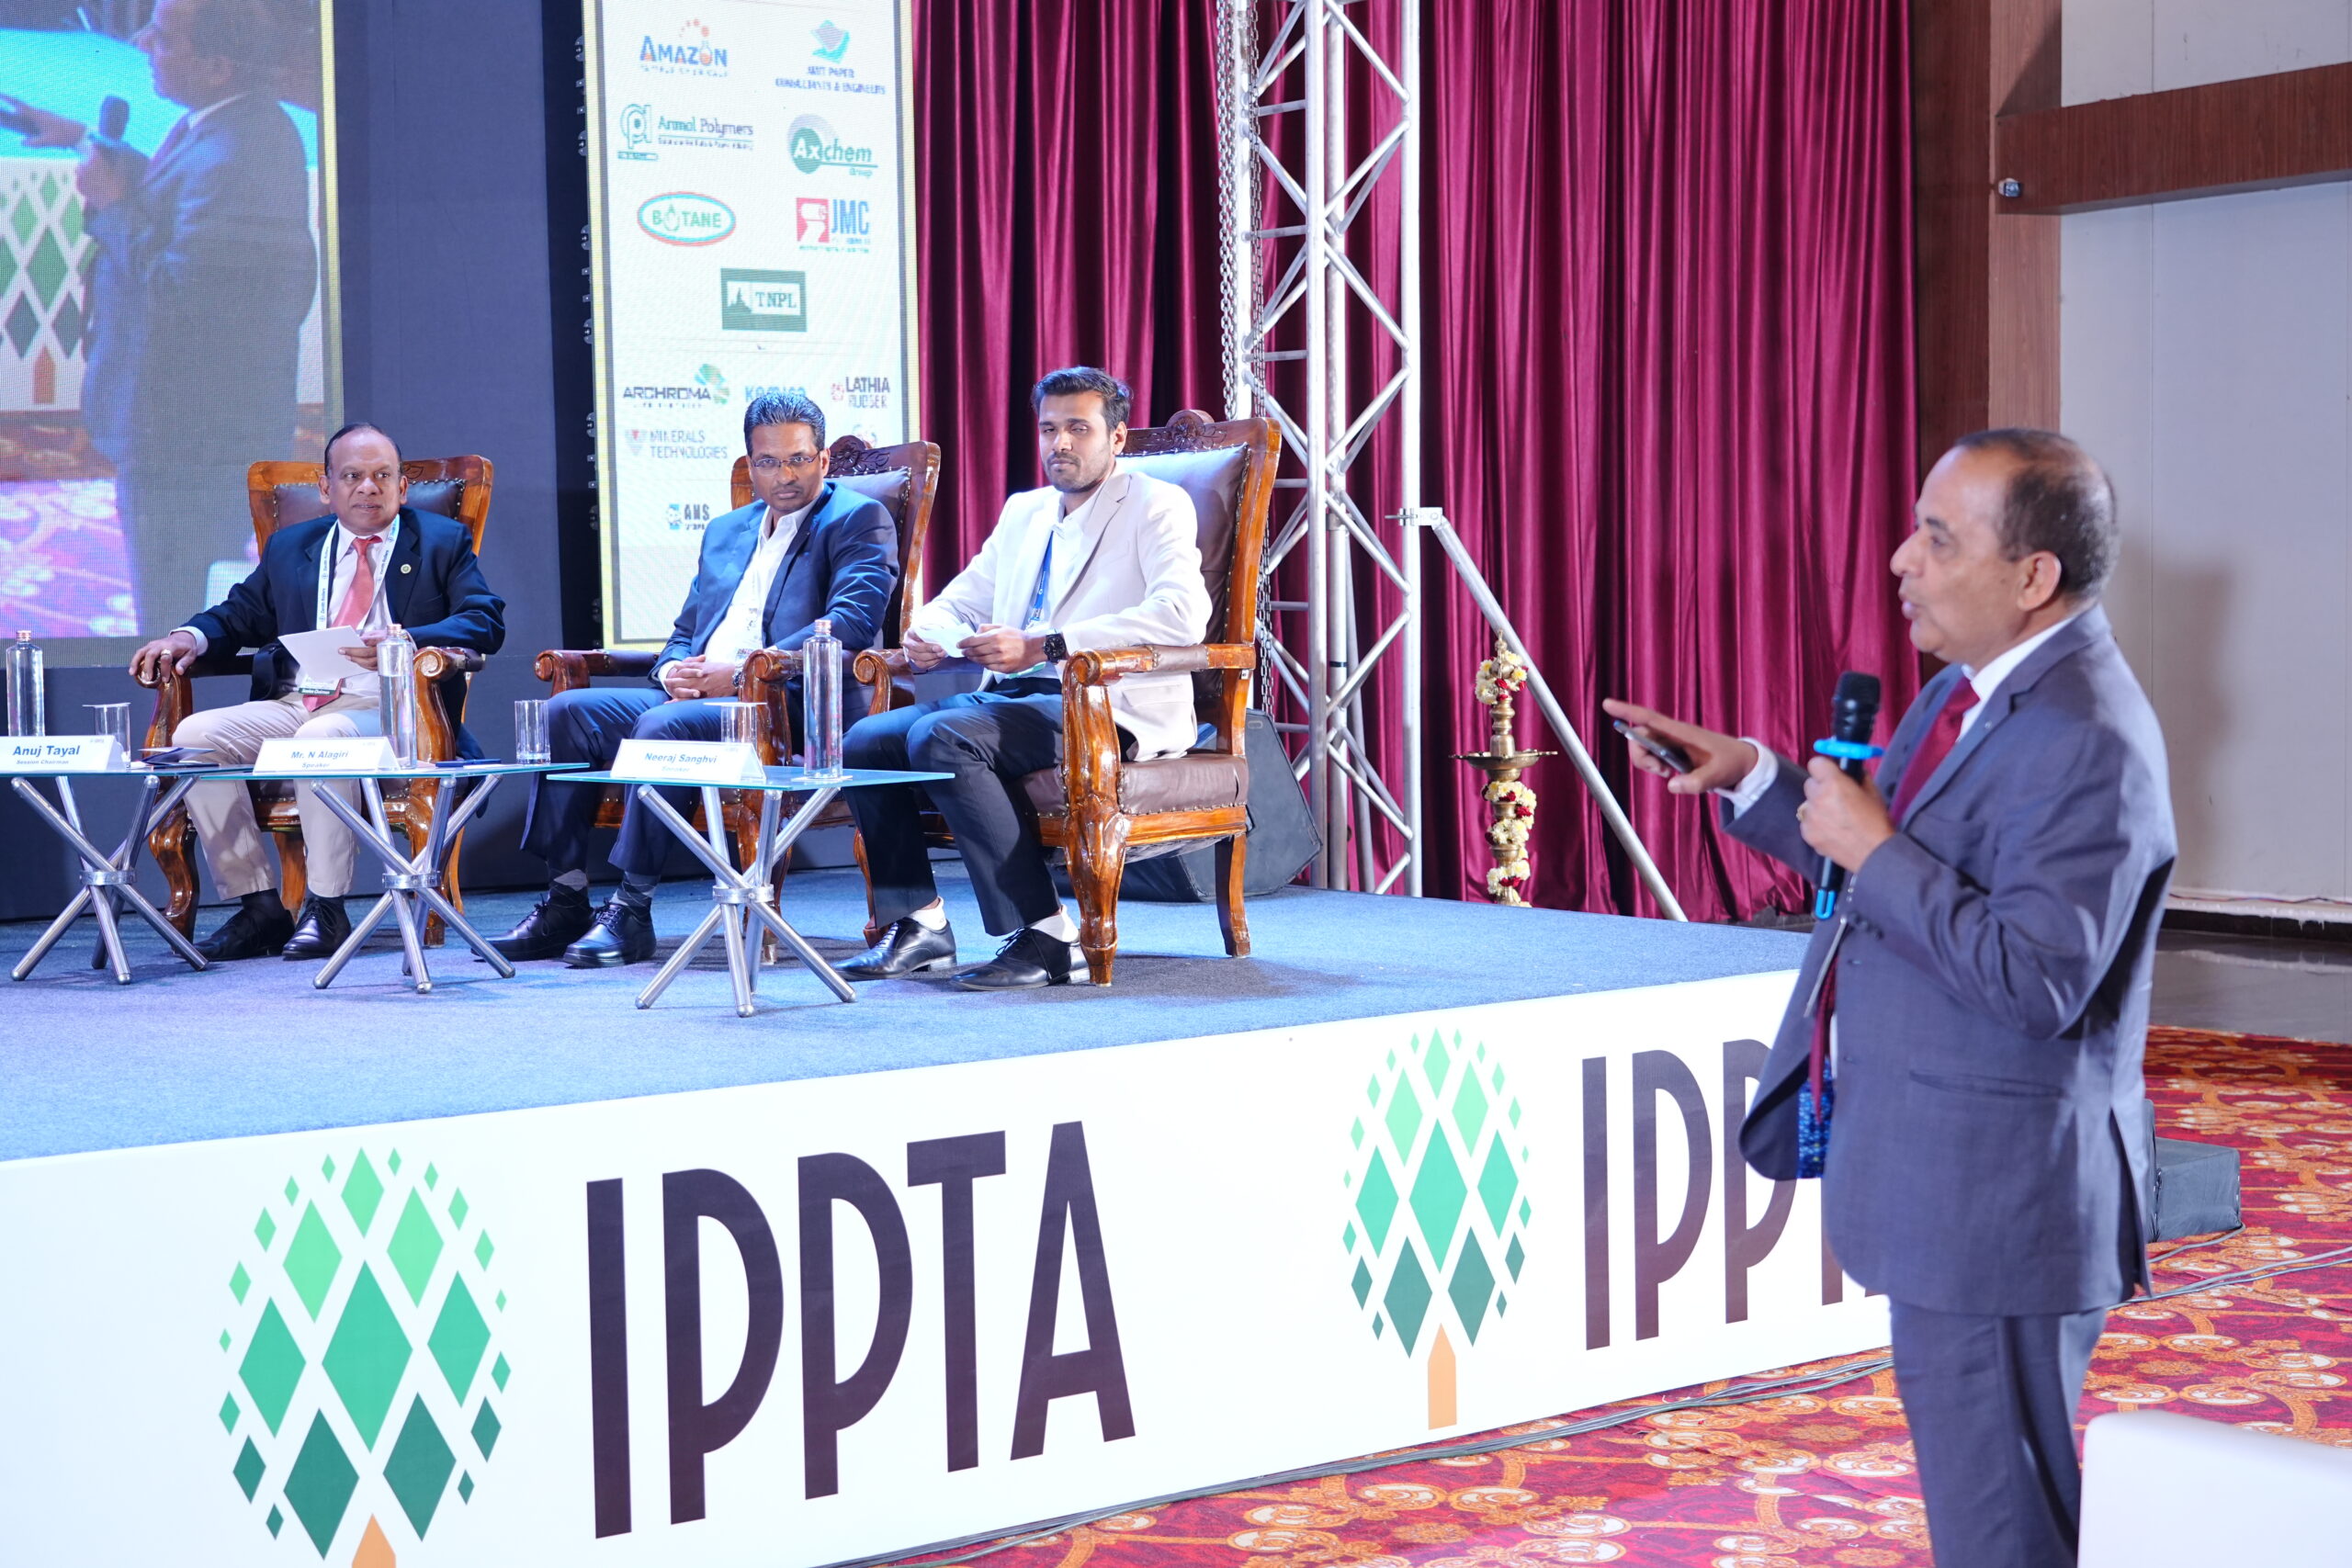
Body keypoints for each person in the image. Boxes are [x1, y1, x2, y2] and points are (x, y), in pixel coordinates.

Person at [1604, 429, 2174, 1568]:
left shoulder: (2085, 738)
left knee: (1998, 1525)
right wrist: (1758, 780)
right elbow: (1889, 860)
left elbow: (2035, 979)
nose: (1902, 560)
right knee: (1994, 1509)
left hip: (2001, 1200)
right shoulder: (1972, 692)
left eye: (1938, 539)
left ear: (2033, 576)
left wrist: (1873, 850)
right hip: (1948, 1181)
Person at [492, 390, 898, 968]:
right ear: (750, 464)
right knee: (567, 713)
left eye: (799, 459)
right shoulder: (727, 530)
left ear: (824, 459)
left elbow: (852, 622)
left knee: (665, 725)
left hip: (786, 705)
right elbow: (686, 630)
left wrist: (738, 673)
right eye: (769, 462)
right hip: (701, 699)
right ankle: (566, 898)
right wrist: (673, 671)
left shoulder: (857, 518)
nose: (785, 476)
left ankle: (632, 907)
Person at [837, 366, 1209, 991]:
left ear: (1117, 438)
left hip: (1102, 702)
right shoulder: (1025, 511)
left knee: (943, 737)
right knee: (867, 741)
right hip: (1014, 697)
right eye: (1049, 429)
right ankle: (919, 924)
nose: (1060, 443)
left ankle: (1048, 935)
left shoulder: (1155, 503)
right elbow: (958, 602)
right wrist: (935, 638)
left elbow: (1181, 614)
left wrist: (1045, 644)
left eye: (1078, 429)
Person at [129, 423, 506, 960]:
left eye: (382, 476)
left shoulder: (440, 542)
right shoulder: (293, 546)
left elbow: (484, 620)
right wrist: (186, 637)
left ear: (403, 487)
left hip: (391, 708)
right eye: (352, 476)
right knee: (195, 736)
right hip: (297, 700)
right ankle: (259, 907)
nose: (368, 487)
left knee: (321, 739)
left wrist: (407, 640)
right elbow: (239, 615)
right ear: (327, 488)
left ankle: (326, 907)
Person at [3, 0, 318, 632]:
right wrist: (88, 142)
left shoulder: (244, 152)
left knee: (173, 614)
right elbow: (186, 207)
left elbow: (184, 301)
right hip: (183, 429)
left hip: (188, 446)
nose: (142, 41)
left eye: (165, 36)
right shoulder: (230, 127)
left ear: (218, 65)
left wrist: (116, 204)